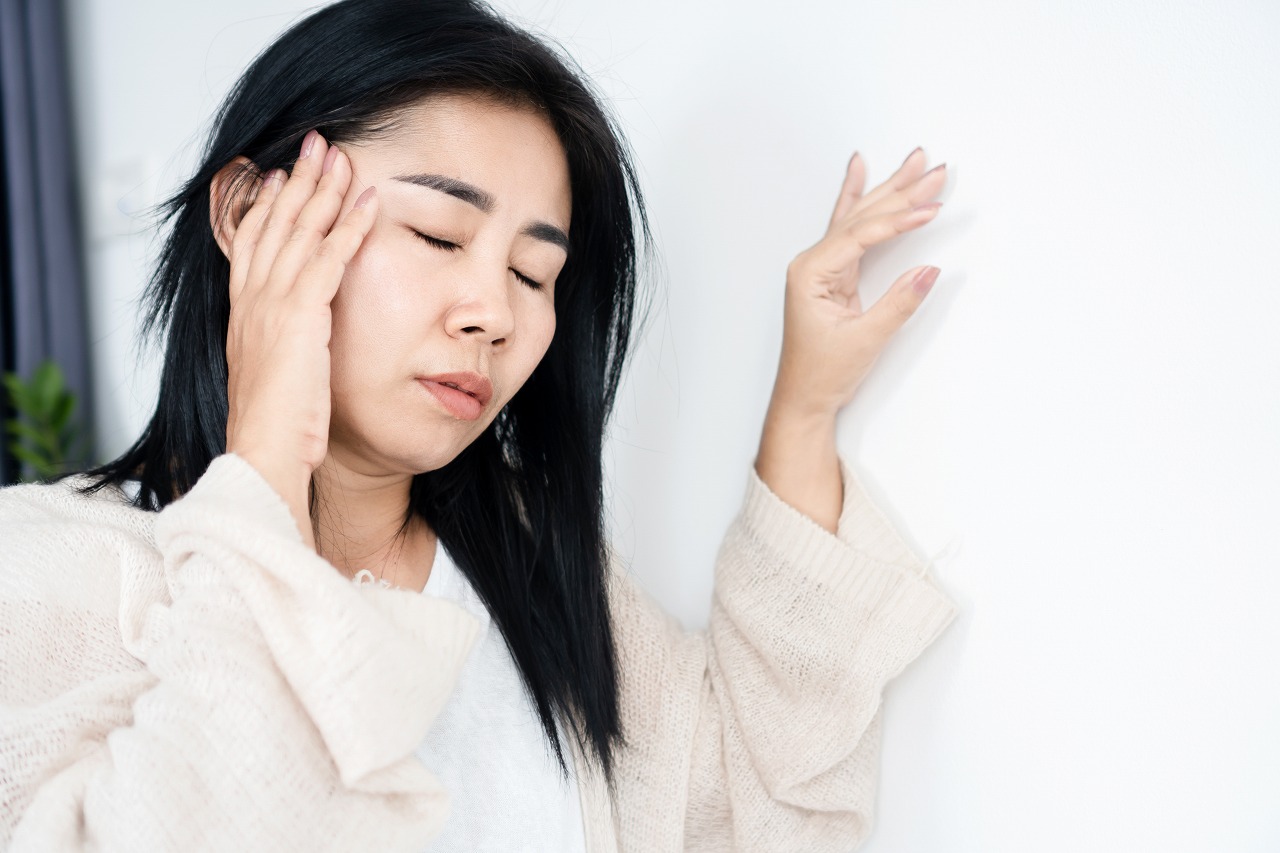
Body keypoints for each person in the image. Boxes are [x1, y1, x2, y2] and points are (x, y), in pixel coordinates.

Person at [0, 0, 958, 849]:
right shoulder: (41, 578)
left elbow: (750, 812)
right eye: (439, 235)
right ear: (254, 214)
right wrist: (266, 470)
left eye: (533, 274)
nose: (494, 313)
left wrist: (803, 409)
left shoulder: (529, 572)